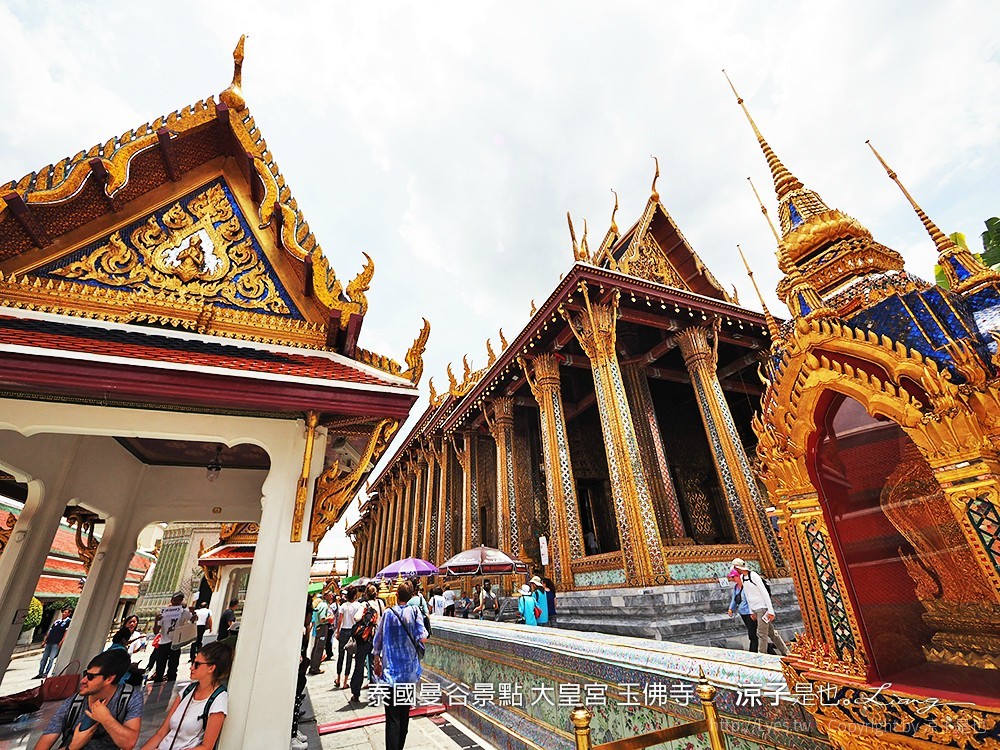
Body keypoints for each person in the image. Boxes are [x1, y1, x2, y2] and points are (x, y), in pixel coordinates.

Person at [34, 648, 143, 750]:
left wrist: (106, 719)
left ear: (109, 679)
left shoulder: (128, 698)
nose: (83, 680)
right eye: (86, 674)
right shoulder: (73, 704)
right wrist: (72, 747)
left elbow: (129, 743)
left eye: (91, 677)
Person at [140, 641, 232, 750]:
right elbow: (161, 733)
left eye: (197, 664)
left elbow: (206, 747)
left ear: (211, 668)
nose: (191, 667)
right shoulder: (187, 690)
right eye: (193, 662)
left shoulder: (218, 700)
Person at [372, 579, 428, 750]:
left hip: (390, 675)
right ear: (411, 596)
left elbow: (378, 640)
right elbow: (423, 636)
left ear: (396, 595)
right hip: (408, 675)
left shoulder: (388, 614)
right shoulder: (414, 612)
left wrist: (376, 659)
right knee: (404, 717)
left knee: (392, 720)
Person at [730, 558, 788, 656]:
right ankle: (786, 652)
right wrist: (751, 611)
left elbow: (764, 592)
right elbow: (747, 595)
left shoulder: (753, 576)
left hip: (762, 608)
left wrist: (770, 610)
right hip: (755, 609)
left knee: (761, 633)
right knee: (771, 633)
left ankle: (762, 655)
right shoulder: (743, 578)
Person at [151, 592, 196, 683]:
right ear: (171, 600)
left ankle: (169, 688)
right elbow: (156, 631)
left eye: (179, 600)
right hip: (163, 642)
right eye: (175, 599)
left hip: (176, 643)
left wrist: (193, 613)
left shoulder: (184, 612)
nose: (177, 602)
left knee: (173, 668)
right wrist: (156, 621)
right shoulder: (164, 613)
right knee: (160, 667)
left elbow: (193, 620)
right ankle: (156, 688)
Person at [348, 586, 381, 704]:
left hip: (364, 638)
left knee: (359, 665)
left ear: (366, 594)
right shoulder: (380, 604)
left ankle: (356, 693)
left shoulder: (364, 605)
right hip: (376, 638)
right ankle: (375, 694)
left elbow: (356, 617)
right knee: (374, 664)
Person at [726, 568, 758, 652]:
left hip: (750, 612)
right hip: (743, 612)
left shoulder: (747, 586)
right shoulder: (736, 587)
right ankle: (768, 649)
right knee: (752, 632)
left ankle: (753, 651)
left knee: (752, 634)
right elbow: (734, 598)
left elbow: (751, 599)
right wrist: (731, 608)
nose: (732, 579)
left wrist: (753, 611)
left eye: (734, 577)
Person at [35, 607, 72, 679]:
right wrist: (45, 640)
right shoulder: (57, 621)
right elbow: (50, 631)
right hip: (49, 641)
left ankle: (46, 673)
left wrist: (62, 641)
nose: (64, 613)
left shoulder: (68, 622)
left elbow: (66, 632)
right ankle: (40, 673)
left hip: (56, 642)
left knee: (51, 658)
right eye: (64, 612)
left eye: (66, 612)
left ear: (69, 613)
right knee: (44, 658)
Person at [334, 588, 359, 689]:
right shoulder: (358, 606)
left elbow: (340, 620)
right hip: (352, 632)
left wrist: (338, 631)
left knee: (341, 656)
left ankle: (338, 678)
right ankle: (345, 681)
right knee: (349, 657)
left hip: (344, 630)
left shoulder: (344, 606)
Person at [307, 593, 330, 676]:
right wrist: (330, 618)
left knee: (316, 647)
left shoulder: (319, 605)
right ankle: (315, 668)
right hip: (322, 628)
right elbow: (322, 619)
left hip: (318, 628)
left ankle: (313, 665)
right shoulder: (324, 606)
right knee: (319, 648)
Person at [323, 591, 339, 661]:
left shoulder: (333, 606)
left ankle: (329, 653)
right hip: (333, 624)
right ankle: (329, 652)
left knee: (328, 639)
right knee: (329, 639)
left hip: (331, 624)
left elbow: (331, 615)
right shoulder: (334, 605)